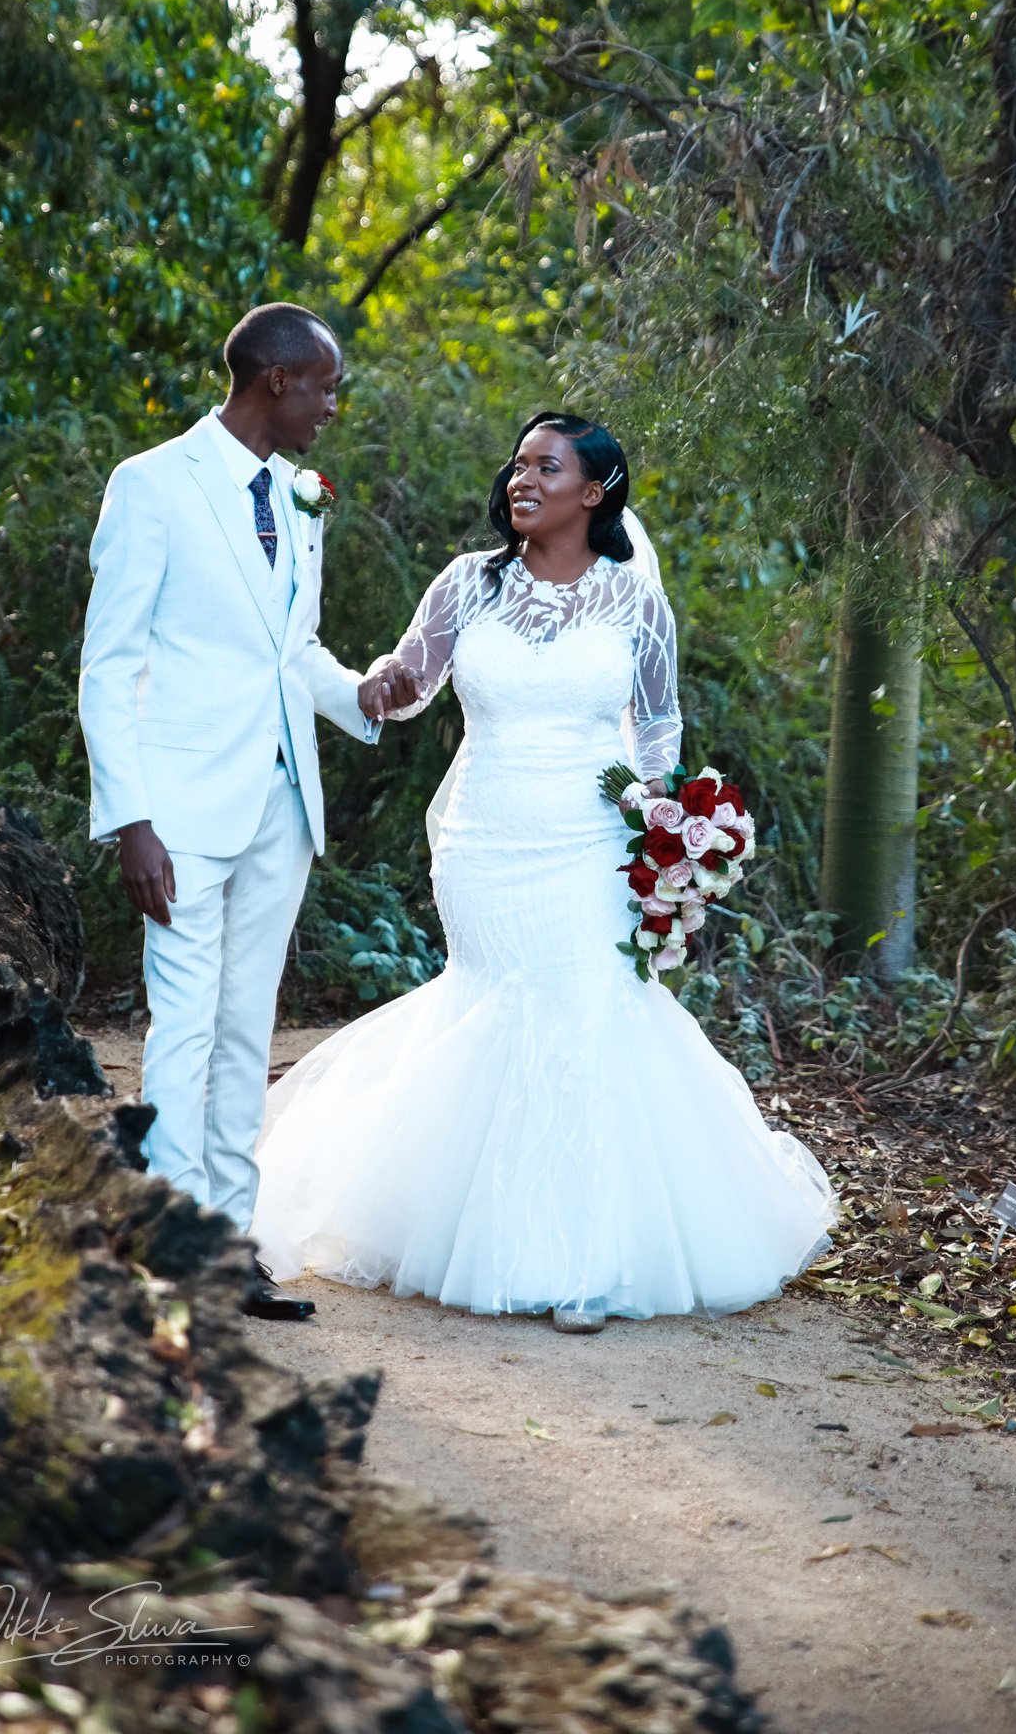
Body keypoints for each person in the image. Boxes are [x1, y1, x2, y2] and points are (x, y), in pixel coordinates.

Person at [252, 411, 837, 1330]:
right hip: (483, 839)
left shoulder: (634, 600)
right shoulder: (465, 585)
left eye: (546, 467)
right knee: (497, 1003)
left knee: (580, 1013)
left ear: (593, 492)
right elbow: (407, 682)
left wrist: (664, 813)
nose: (522, 479)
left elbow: (657, 724)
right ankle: (482, 1232)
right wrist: (378, 685)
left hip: (588, 838)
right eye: (517, 463)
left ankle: (581, 1266)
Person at [78, 303, 382, 1320]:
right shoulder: (154, 485)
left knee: (246, 1028)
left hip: (279, 807)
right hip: (179, 810)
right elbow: (109, 664)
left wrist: (362, 694)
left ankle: (231, 1245)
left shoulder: (300, 499)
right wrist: (131, 821)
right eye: (326, 386)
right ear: (277, 380)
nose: (333, 406)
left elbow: (290, 648)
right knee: (184, 1025)